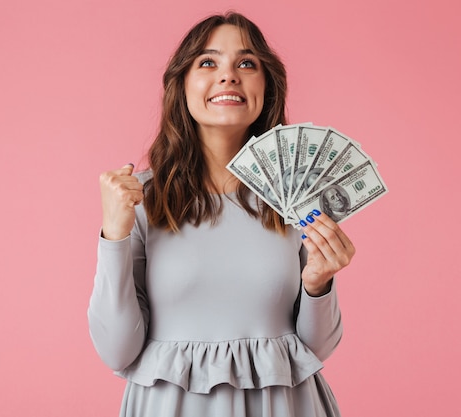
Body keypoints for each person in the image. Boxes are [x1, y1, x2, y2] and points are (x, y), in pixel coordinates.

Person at [88, 12, 356, 417]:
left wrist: (318, 284)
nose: (228, 76)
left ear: (267, 87)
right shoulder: (140, 200)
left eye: (246, 64)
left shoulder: (296, 198)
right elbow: (117, 350)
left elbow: (317, 349)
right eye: (208, 62)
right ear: (182, 84)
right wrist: (114, 236)